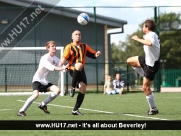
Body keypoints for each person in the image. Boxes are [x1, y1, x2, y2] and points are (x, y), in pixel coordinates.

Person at [17, 41, 67, 116]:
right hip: (37, 80)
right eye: (52, 46)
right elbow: (52, 67)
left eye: (54, 46)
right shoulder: (44, 58)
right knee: (35, 95)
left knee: (58, 90)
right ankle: (21, 111)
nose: (54, 47)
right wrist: (63, 68)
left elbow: (62, 68)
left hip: (45, 81)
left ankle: (43, 104)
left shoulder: (56, 59)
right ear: (48, 48)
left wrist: (68, 68)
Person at [60, 30, 101, 115]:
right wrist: (61, 65)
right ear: (72, 37)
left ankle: (75, 110)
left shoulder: (84, 46)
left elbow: (92, 54)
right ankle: (72, 87)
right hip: (72, 68)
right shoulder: (69, 47)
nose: (78, 36)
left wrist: (96, 54)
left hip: (81, 69)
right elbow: (64, 58)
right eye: (76, 34)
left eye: (79, 34)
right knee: (78, 64)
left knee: (83, 88)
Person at [126, 19, 160, 115]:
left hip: (151, 65)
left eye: (143, 26)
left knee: (145, 88)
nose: (142, 27)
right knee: (129, 61)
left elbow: (149, 43)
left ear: (147, 27)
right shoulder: (149, 35)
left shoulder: (152, 35)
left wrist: (137, 39)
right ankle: (144, 74)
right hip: (146, 60)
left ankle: (153, 109)